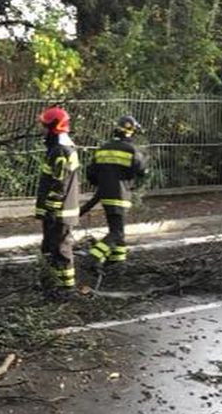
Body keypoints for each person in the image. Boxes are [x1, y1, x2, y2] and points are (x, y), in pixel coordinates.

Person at [80, 115, 148, 270]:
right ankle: (93, 257)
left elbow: (91, 172)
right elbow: (141, 170)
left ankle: (117, 262)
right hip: (120, 194)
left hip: (104, 195)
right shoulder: (131, 150)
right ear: (131, 132)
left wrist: (103, 183)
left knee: (117, 229)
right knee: (117, 233)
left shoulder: (103, 148)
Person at [35, 105, 81, 297]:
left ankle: (66, 288)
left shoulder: (61, 150)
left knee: (61, 249)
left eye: (44, 125)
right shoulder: (58, 148)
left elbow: (58, 184)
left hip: (61, 211)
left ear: (53, 127)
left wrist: (51, 209)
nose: (41, 129)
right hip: (56, 210)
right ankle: (50, 284)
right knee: (49, 248)